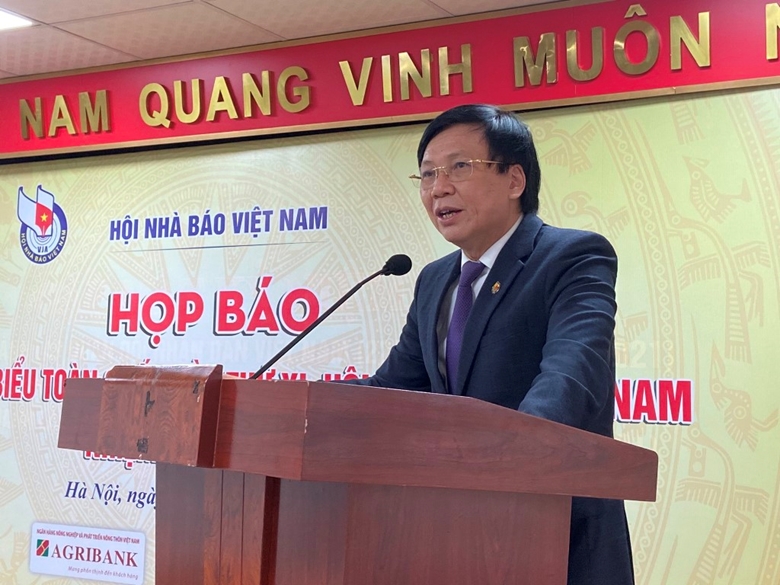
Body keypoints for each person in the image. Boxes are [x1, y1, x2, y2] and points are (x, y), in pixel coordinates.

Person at [352, 104, 634, 585]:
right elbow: (394, 389)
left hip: (557, 533)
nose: (439, 188)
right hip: (454, 534)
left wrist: (507, 453)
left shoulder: (573, 257)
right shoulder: (435, 279)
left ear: (514, 179)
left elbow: (570, 375)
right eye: (427, 174)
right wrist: (295, 403)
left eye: (459, 167)